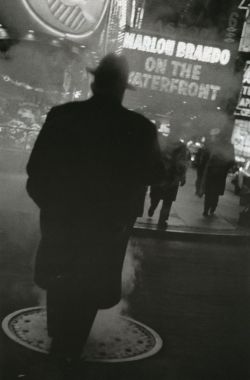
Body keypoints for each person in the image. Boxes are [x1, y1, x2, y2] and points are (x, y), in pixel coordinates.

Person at [26, 53, 163, 378]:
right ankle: (69, 352)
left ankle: (59, 348)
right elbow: (155, 173)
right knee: (87, 292)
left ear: (94, 82)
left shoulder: (63, 116)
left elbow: (36, 171)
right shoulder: (139, 128)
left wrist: (52, 206)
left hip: (63, 225)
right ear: (122, 88)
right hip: (106, 233)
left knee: (60, 285)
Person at [148, 123, 188, 229]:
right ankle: (162, 220)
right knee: (167, 201)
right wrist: (182, 176)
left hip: (160, 175)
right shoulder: (182, 146)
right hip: (172, 177)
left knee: (156, 195)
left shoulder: (163, 142)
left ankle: (153, 207)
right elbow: (183, 163)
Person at [201, 130, 235, 217]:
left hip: (211, 172)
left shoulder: (215, 145)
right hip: (220, 174)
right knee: (215, 193)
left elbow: (206, 156)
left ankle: (206, 209)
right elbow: (231, 161)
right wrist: (226, 168)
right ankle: (212, 209)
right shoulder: (229, 146)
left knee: (209, 192)